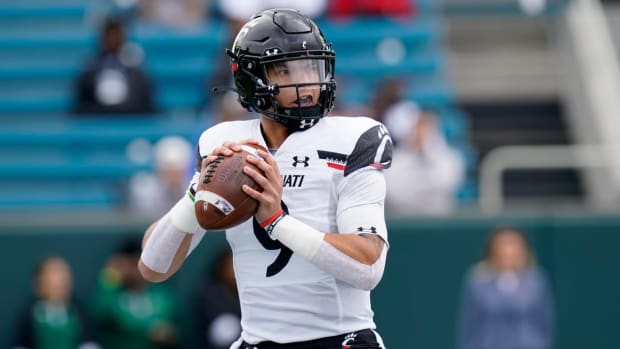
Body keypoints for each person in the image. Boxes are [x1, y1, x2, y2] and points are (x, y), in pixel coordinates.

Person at [138, 8, 392, 349]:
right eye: (285, 70)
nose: (306, 83)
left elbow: (368, 267)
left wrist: (276, 221)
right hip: (258, 341)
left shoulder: (355, 137)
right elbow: (154, 266)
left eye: (310, 66)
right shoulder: (223, 143)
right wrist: (198, 191)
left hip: (339, 338)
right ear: (251, 78)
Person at [458, 227, 554, 349]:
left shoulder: (537, 280)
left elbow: (544, 324)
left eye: (513, 244)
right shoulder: (478, 281)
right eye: (503, 245)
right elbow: (470, 326)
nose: (508, 251)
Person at [94, 239, 181, 349]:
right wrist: (111, 275)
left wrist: (169, 333)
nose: (135, 271)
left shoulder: (162, 295)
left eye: (138, 263)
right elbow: (101, 314)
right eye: (131, 265)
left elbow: (178, 328)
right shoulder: (113, 295)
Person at [383, 101, 465, 216]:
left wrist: (426, 155)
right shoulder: (393, 159)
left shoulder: (450, 158)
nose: (421, 132)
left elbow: (446, 185)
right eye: (417, 127)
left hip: (441, 218)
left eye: (426, 126)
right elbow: (393, 193)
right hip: (404, 218)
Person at [73, 17, 157, 115]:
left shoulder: (136, 71)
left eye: (117, 35)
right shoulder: (90, 69)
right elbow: (82, 103)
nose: (113, 39)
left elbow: (146, 103)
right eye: (109, 35)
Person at [12, 256, 99, 349]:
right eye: (53, 281)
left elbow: (89, 342)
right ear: (39, 283)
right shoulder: (32, 311)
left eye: (63, 280)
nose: (59, 285)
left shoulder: (78, 310)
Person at [128, 136, 195, 218]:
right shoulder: (145, 190)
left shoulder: (193, 190)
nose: (173, 176)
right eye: (168, 170)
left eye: (176, 171)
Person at [193, 247, 241, 349]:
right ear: (221, 267)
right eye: (230, 266)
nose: (234, 271)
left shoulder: (245, 292)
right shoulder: (210, 294)